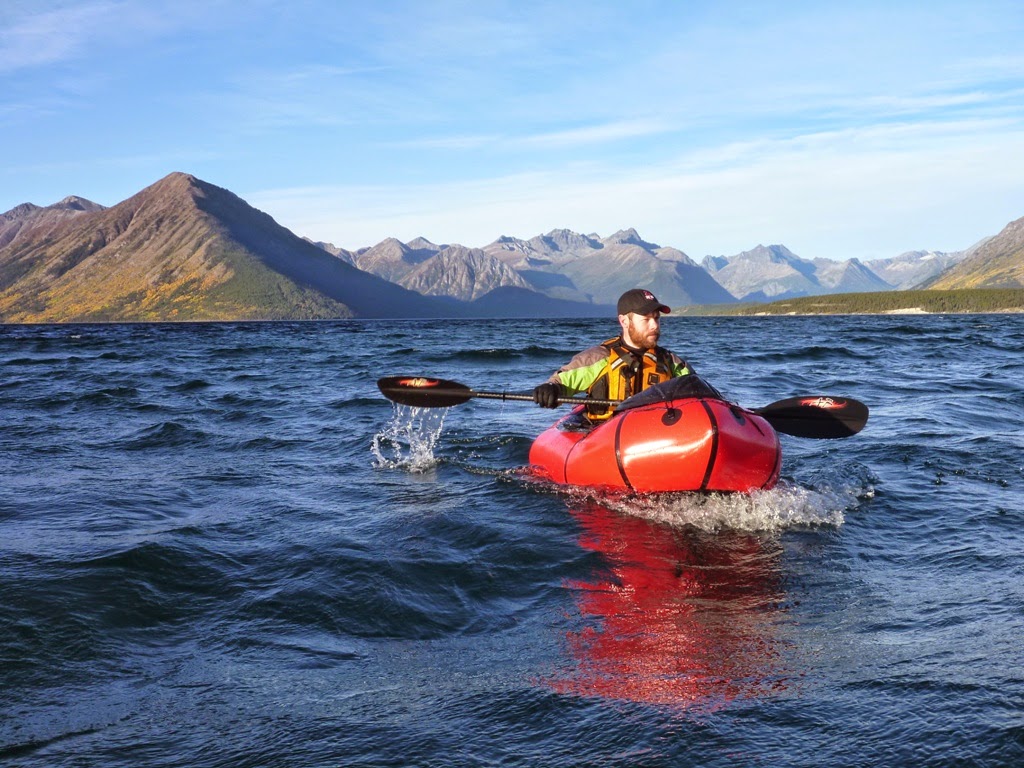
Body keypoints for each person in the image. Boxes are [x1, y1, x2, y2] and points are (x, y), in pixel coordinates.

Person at [533, 288, 694, 420]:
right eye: (646, 319)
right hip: (606, 435)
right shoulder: (599, 358)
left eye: (657, 319)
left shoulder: (671, 362)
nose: (655, 326)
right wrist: (551, 388)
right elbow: (562, 382)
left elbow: (698, 390)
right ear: (624, 321)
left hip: (655, 432)